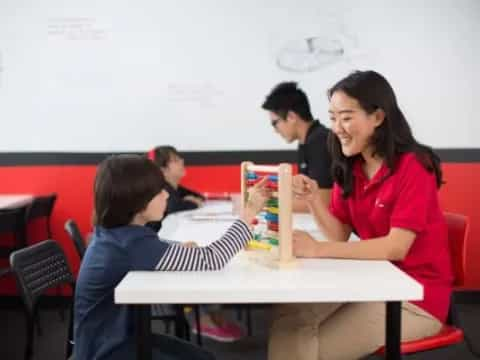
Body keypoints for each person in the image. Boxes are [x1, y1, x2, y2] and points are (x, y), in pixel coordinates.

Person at [268, 71, 453, 360]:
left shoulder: (414, 166)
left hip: (415, 297)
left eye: (346, 116)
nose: (337, 127)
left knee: (314, 347)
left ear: (377, 117)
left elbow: (395, 247)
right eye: (332, 117)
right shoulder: (351, 166)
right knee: (289, 318)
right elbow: (339, 233)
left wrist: (317, 250)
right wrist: (315, 199)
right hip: (372, 279)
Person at [74, 155, 269, 360]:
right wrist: (248, 215)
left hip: (111, 338)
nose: (167, 195)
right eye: (159, 191)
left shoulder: (117, 233)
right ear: (137, 202)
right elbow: (213, 259)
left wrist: (177, 250)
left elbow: (154, 248)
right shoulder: (131, 243)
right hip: (109, 350)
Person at [147, 145, 247, 342]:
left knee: (195, 255)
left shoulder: (135, 239)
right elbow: (213, 258)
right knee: (198, 263)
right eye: (176, 160)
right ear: (163, 169)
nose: (182, 161)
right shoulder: (138, 242)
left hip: (165, 246)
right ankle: (201, 318)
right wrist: (247, 216)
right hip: (154, 281)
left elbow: (196, 198)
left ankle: (211, 315)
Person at [262, 82, 333, 211]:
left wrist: (262, 205)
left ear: (291, 117)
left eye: (274, 123)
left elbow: (322, 202)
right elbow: (303, 195)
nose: (275, 130)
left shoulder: (319, 141)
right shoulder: (305, 142)